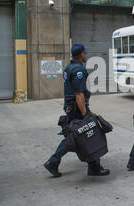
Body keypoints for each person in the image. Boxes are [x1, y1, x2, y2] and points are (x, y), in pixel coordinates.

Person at [44, 43, 110, 177]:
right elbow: (79, 94)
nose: (86, 55)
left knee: (77, 135)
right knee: (87, 132)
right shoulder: (79, 71)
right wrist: (86, 114)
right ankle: (55, 161)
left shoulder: (69, 67)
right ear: (80, 54)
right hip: (77, 108)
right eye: (84, 53)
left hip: (71, 107)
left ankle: (92, 166)